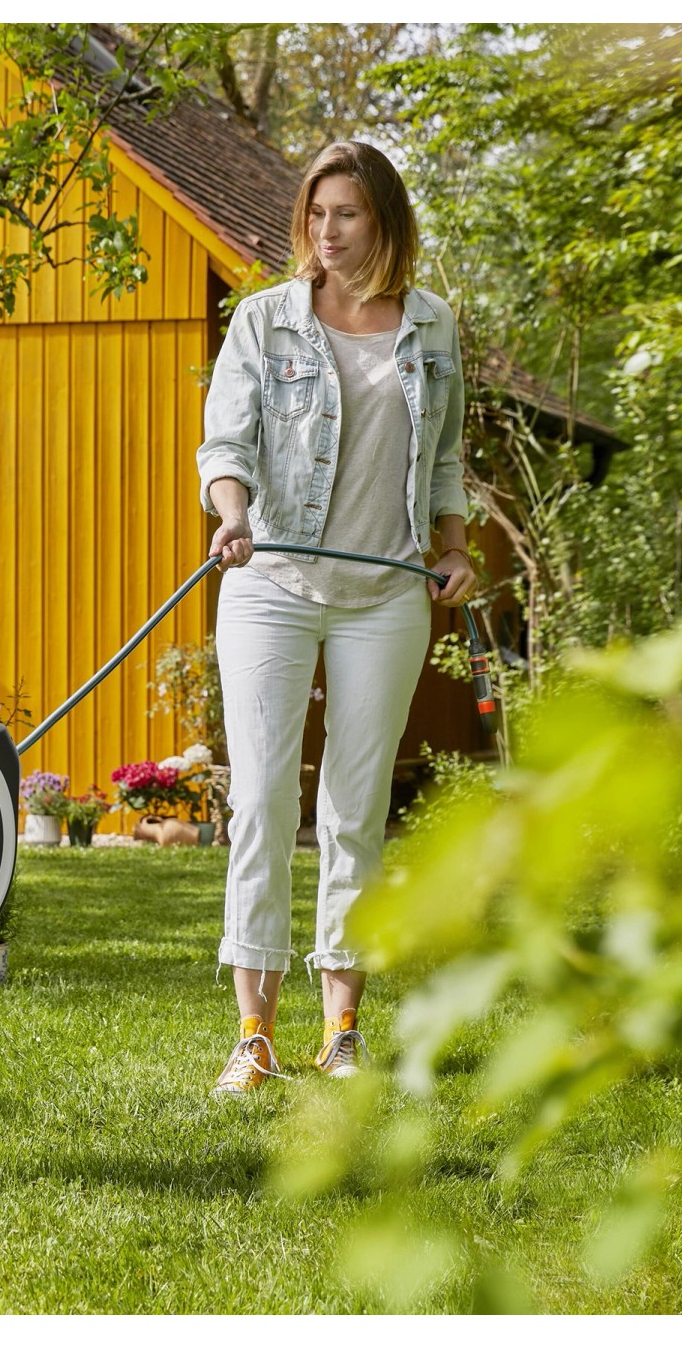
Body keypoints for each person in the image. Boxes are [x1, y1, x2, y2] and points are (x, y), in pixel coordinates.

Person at [196, 140, 476, 1096]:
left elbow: (443, 461)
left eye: (347, 214)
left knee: (355, 812)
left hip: (386, 594)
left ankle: (342, 1029)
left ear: (383, 221)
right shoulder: (265, 320)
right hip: (270, 582)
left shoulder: (432, 327)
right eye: (316, 214)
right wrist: (233, 518)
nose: (327, 232)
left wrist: (453, 548)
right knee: (262, 802)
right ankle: (252, 1034)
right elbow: (225, 441)